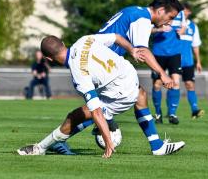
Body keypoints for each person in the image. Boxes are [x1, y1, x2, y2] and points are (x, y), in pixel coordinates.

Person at [47, 0, 184, 154]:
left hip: (100, 63)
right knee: (95, 110)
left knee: (138, 95)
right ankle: (58, 140)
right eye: (171, 16)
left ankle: (156, 146)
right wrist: (163, 73)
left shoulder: (134, 11)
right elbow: (143, 51)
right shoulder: (142, 19)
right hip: (101, 66)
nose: (170, 21)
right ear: (161, 10)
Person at [17, 34, 185, 158]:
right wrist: (131, 50)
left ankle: (41, 147)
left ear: (48, 58)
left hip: (122, 93)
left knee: (77, 116)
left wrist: (108, 142)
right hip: (129, 74)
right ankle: (156, 146)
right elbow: (117, 37)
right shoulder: (84, 40)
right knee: (140, 95)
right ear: (62, 42)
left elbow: (96, 111)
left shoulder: (78, 73)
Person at [151, 0, 186, 125]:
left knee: (176, 82)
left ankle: (172, 113)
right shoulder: (156, 10)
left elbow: (183, 27)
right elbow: (148, 30)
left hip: (174, 52)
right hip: (158, 52)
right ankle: (158, 113)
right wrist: (159, 30)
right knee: (157, 84)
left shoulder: (180, 12)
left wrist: (182, 31)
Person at [180, 2, 205, 119]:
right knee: (168, 84)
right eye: (182, 10)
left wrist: (198, 61)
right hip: (172, 59)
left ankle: (195, 109)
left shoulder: (193, 27)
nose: (183, 12)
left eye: (185, 10)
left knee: (190, 84)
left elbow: (195, 46)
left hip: (187, 61)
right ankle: (170, 112)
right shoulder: (174, 24)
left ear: (189, 12)